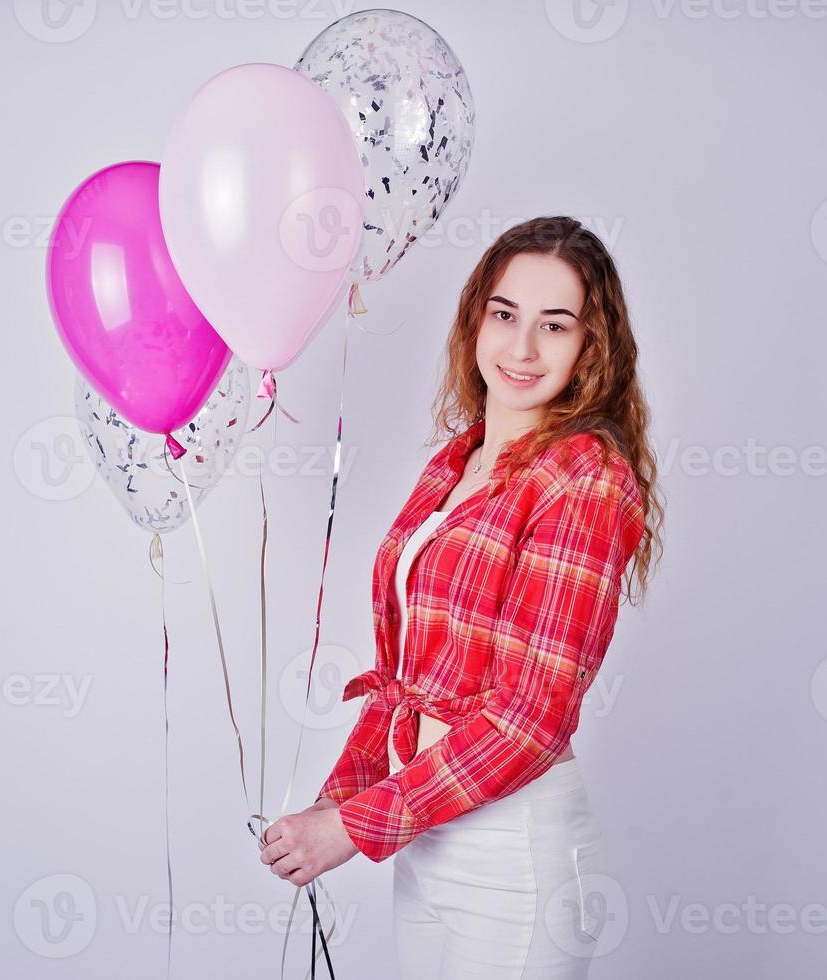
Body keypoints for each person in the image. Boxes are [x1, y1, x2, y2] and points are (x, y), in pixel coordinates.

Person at [258, 215, 664, 977]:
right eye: (504, 315)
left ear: (588, 350)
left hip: (513, 854)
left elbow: (529, 716)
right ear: (476, 316)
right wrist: (337, 802)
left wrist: (355, 829)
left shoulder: (585, 479)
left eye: (555, 325)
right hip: (430, 835)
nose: (521, 348)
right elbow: (409, 685)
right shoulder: (459, 460)